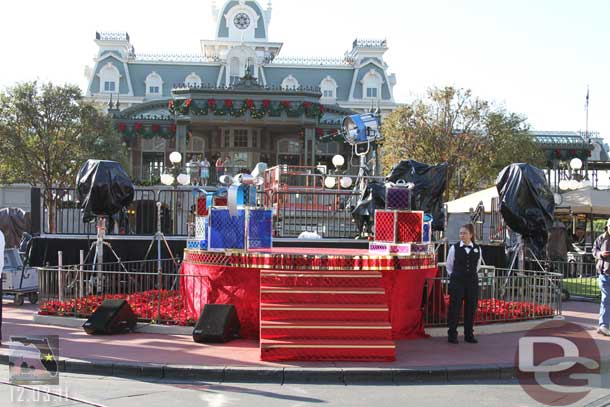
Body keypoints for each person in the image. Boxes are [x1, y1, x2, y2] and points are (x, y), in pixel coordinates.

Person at [446, 223, 482, 344]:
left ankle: (469, 334)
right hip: (457, 282)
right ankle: (452, 334)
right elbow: (449, 266)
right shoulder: (454, 248)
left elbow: (478, 266)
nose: (462, 235)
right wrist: (456, 276)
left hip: (471, 282)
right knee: (454, 308)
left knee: (470, 308)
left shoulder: (477, 248)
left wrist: (470, 275)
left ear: (471, 235)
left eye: (464, 233)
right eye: (460, 233)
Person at [593, 218, 610, 336]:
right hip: (604, 274)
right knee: (605, 299)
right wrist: (600, 254)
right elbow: (594, 250)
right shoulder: (601, 238)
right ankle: (603, 325)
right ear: (608, 226)